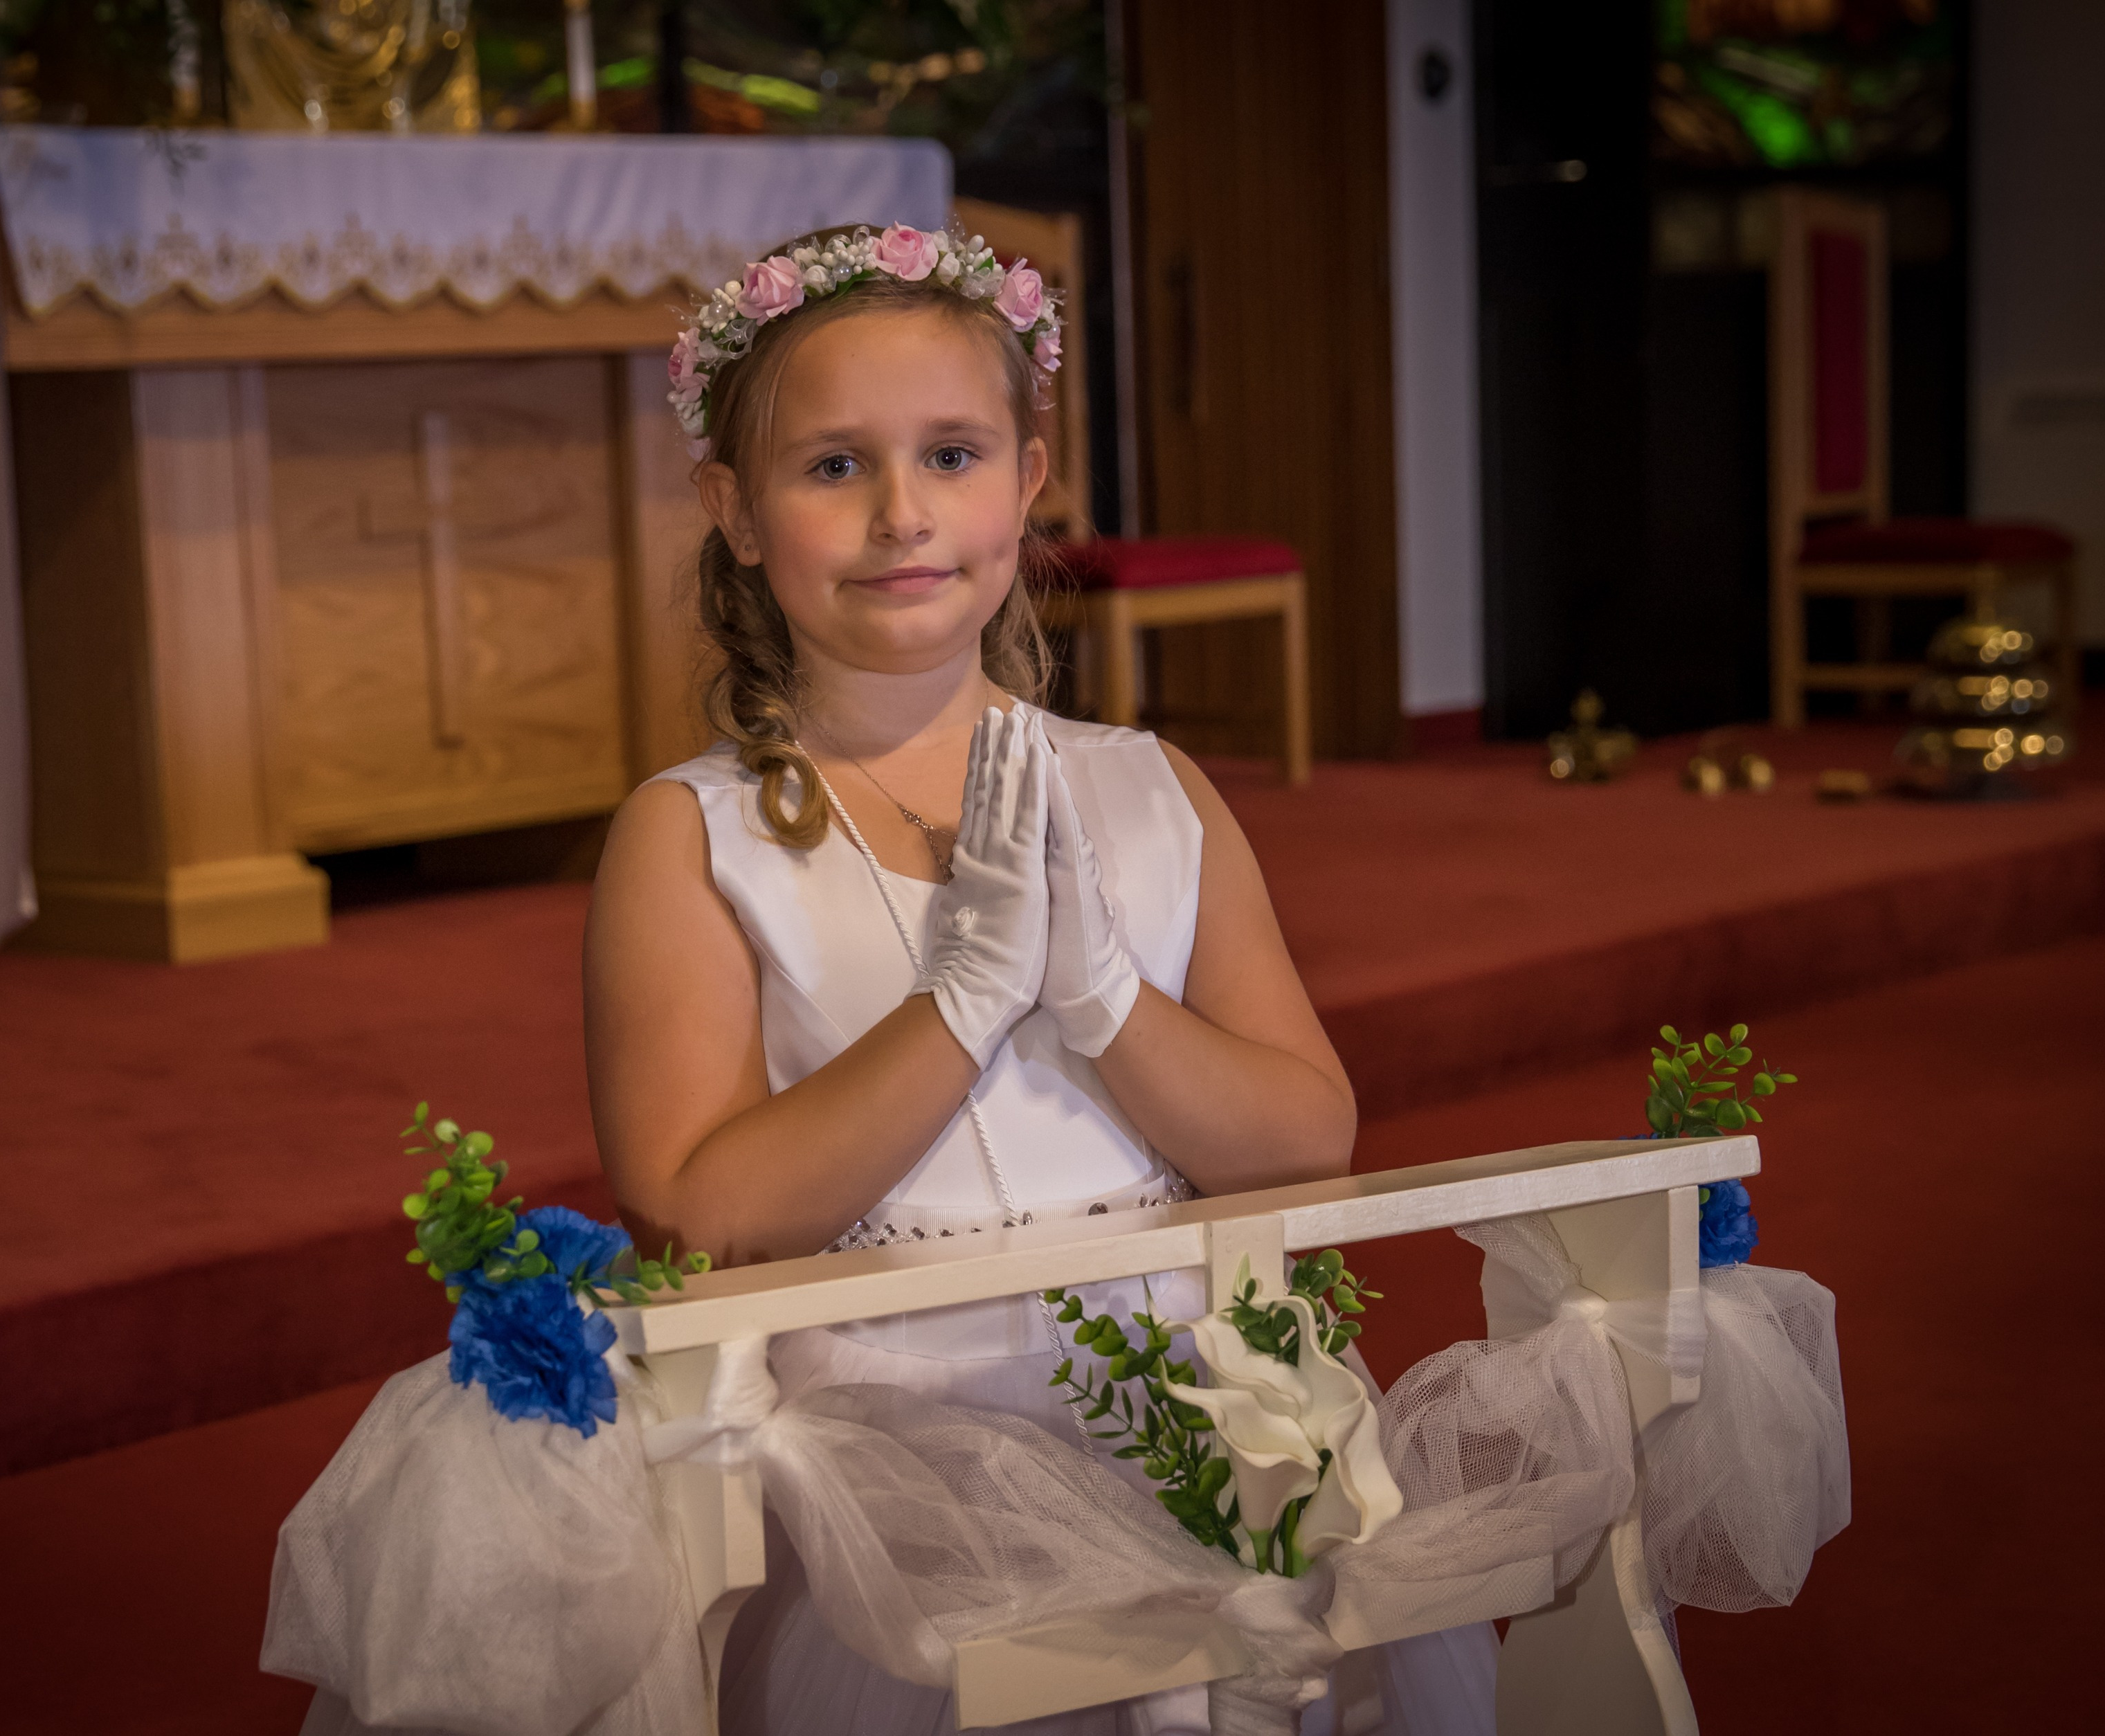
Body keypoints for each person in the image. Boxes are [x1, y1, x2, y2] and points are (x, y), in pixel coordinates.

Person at [584, 224, 1494, 1735]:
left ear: (1029, 478)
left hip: (1202, 1420)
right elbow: (697, 1216)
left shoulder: (1153, 789)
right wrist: (958, 1006)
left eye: (951, 456)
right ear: (733, 511)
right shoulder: (694, 836)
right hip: (890, 1468)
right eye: (833, 467)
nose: (901, 514)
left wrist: (1104, 999)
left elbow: (1306, 1141)